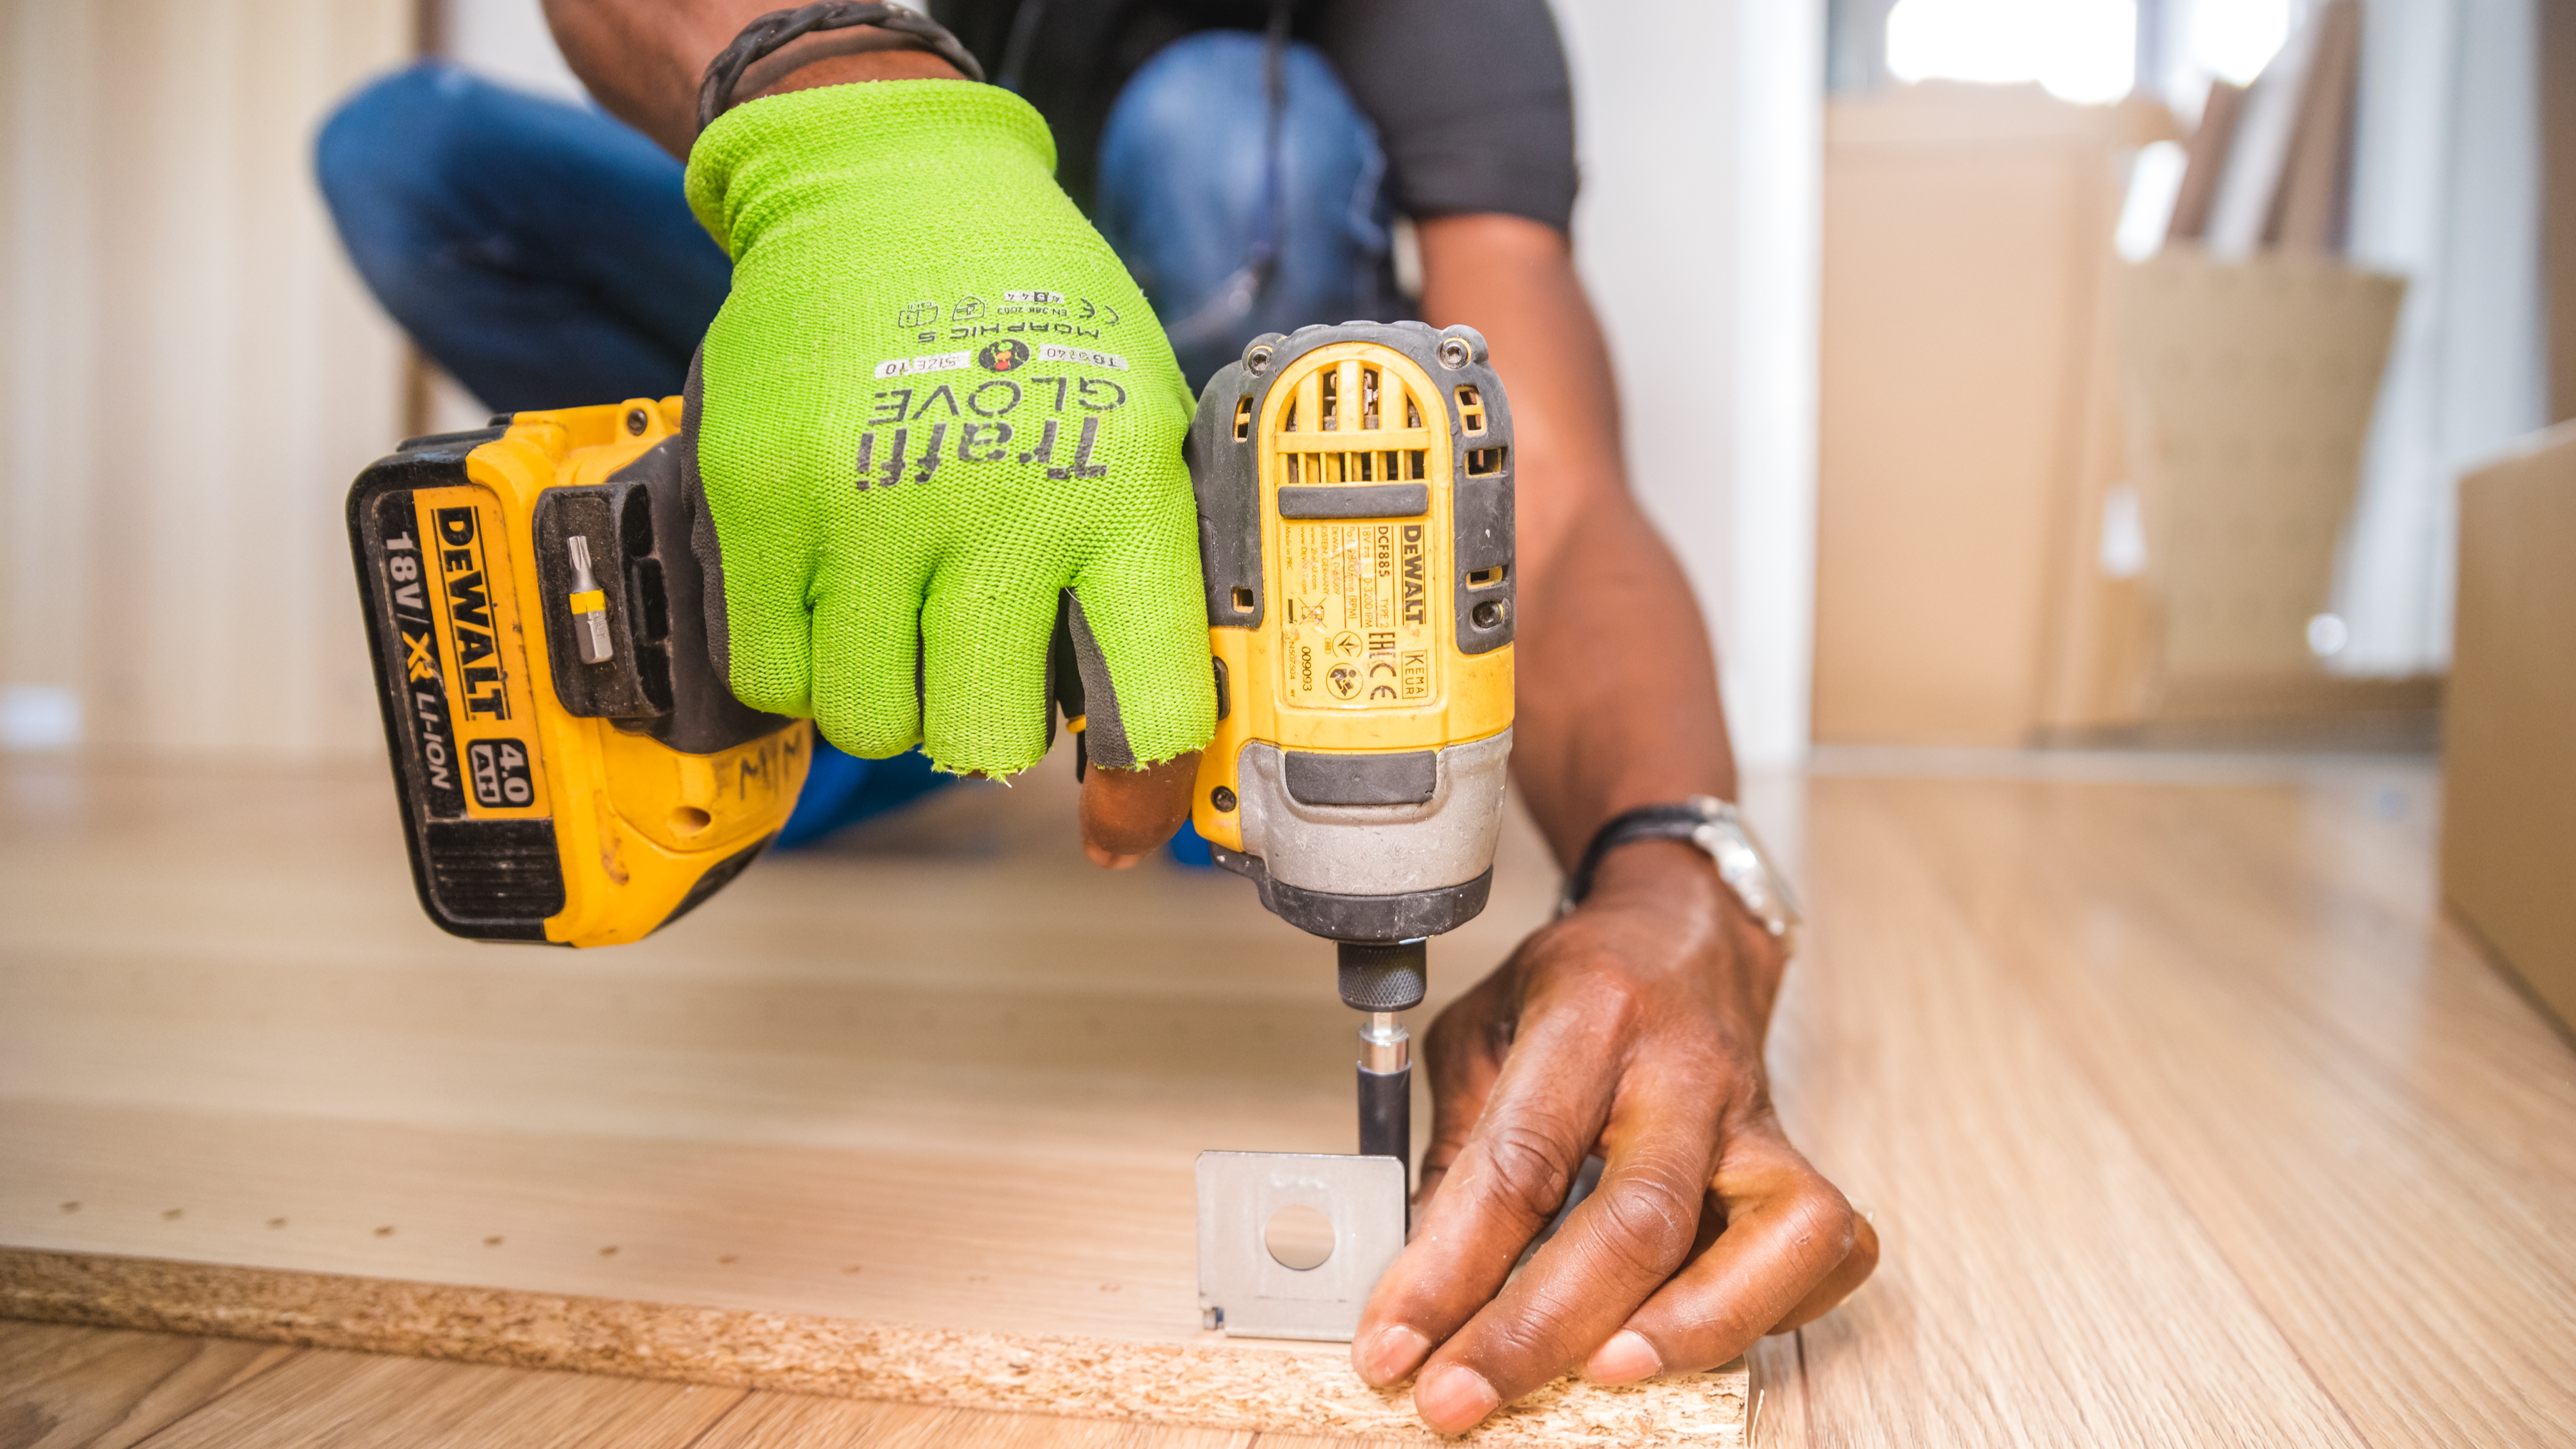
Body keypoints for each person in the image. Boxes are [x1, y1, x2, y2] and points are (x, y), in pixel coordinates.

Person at [314, 1, 1877, 1433]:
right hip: (885, 340)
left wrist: (1679, 868)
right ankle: (852, 664)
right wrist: (858, 134)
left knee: (1225, 128)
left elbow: (1558, 486)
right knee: (416, 152)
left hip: (1192, 472)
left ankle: (1190, 709)